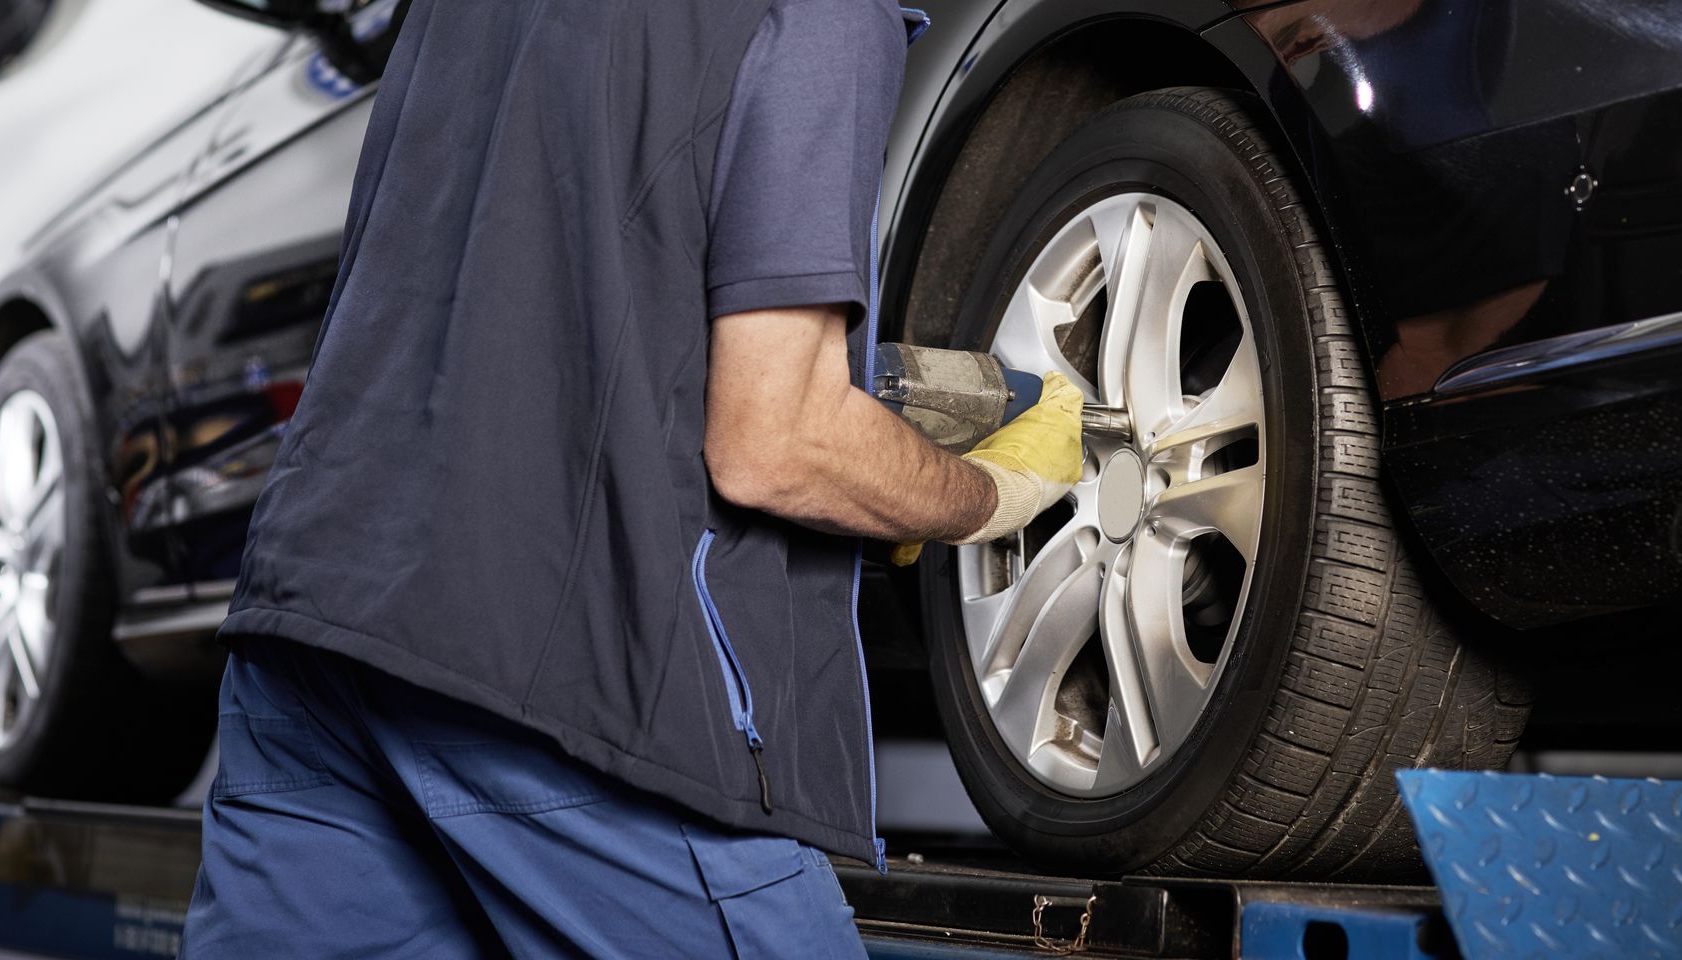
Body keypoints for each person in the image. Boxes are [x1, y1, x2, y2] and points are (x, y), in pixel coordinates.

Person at [179, 0, 1083, 956]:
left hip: (311, 624)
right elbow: (776, 445)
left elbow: (546, 279)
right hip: (563, 667)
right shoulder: (820, 14)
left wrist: (855, 410)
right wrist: (980, 497)